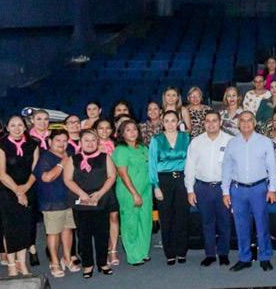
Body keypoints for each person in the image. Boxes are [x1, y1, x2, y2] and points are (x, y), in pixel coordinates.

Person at [222, 111, 276, 272]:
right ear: (238, 123)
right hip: (238, 190)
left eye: (249, 120)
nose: (246, 123)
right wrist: (225, 191)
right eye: (242, 120)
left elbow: (272, 167)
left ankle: (265, 257)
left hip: (259, 189)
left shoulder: (265, 141)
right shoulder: (232, 143)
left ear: (254, 123)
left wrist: (272, 189)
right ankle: (244, 258)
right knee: (241, 226)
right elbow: (226, 168)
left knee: (262, 224)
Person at [63, 131, 117, 278]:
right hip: (81, 202)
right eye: (86, 140)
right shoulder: (73, 159)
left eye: (93, 140)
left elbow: (112, 176)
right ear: (80, 142)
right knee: (83, 235)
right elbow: (67, 179)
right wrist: (82, 194)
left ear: (97, 142)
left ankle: (102, 262)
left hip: (101, 200)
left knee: (102, 233)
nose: (90, 143)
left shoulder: (105, 157)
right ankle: (87, 265)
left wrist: (100, 193)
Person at [184, 111, 232, 267]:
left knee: (225, 222)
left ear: (220, 122)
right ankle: (210, 254)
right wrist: (190, 190)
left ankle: (223, 253)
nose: (211, 124)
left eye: (214, 120)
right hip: (202, 188)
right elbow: (189, 167)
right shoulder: (196, 142)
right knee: (207, 223)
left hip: (223, 188)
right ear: (204, 123)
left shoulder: (230, 141)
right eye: (208, 121)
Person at [0, 116, 38, 276]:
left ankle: (22, 263)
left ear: (25, 127)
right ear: (7, 128)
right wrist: (18, 191)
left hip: (28, 189)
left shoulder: (33, 144)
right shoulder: (1, 145)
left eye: (20, 125)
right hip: (7, 191)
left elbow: (36, 170)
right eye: (13, 125)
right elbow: (0, 173)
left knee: (24, 228)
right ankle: (11, 265)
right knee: (10, 228)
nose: (17, 128)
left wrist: (25, 188)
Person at [148, 110, 191, 265]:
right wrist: (155, 186)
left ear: (178, 121)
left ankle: (182, 251)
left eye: (173, 120)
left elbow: (191, 162)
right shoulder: (156, 139)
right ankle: (170, 252)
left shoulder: (186, 137)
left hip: (182, 180)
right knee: (166, 218)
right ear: (162, 122)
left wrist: (191, 184)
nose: (170, 124)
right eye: (167, 121)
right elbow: (152, 164)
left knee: (182, 217)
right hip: (163, 181)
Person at [34, 130, 79, 278]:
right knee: (53, 232)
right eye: (58, 140)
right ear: (50, 141)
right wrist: (61, 164)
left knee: (68, 230)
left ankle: (67, 258)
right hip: (52, 201)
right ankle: (54, 262)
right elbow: (46, 178)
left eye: (65, 140)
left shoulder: (70, 153)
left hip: (69, 199)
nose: (61, 143)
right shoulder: (45, 157)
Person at [111, 120, 153, 266]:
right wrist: (135, 194)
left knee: (145, 221)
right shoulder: (120, 150)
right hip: (129, 191)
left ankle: (143, 251)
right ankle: (134, 255)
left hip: (146, 189)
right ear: (122, 134)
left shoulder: (143, 147)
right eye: (128, 130)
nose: (132, 132)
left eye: (134, 129)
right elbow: (123, 174)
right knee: (131, 222)